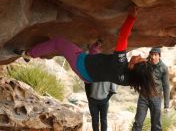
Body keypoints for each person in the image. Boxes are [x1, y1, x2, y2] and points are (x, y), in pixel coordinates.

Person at [17, 6, 157, 98]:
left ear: (132, 67)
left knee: (58, 42)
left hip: (82, 65)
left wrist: (131, 18)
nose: (139, 55)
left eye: (139, 59)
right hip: (90, 75)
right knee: (96, 55)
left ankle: (29, 54)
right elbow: (134, 75)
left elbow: (123, 36)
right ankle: (95, 48)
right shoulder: (129, 79)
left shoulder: (120, 63)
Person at [132, 47, 170, 131]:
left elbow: (166, 86)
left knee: (156, 126)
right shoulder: (145, 65)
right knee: (138, 123)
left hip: (156, 98)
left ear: (159, 56)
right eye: (152, 54)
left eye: (155, 55)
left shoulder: (164, 68)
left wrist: (166, 105)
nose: (153, 57)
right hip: (143, 97)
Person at [85, 40, 117, 131]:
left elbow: (113, 90)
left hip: (102, 101)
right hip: (94, 100)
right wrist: (89, 97)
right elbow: (86, 84)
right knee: (97, 120)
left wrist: (106, 99)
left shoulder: (109, 72)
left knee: (102, 120)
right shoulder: (94, 70)